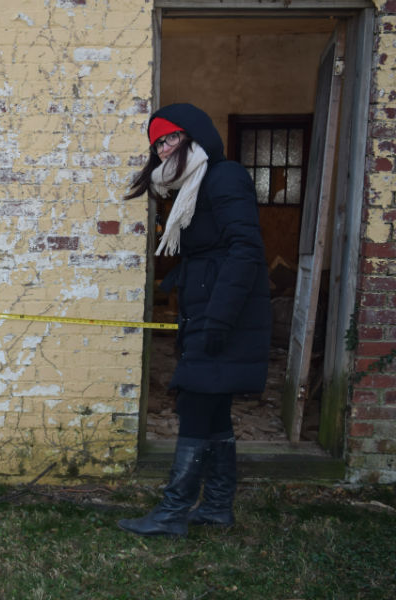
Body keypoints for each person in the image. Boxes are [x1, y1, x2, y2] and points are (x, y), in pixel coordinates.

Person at [118, 104, 271, 537]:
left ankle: (172, 513)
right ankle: (218, 507)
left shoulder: (224, 177)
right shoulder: (193, 185)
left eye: (170, 138)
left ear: (194, 136)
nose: (163, 149)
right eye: (157, 143)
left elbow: (245, 250)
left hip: (225, 312)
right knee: (212, 404)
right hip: (205, 308)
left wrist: (219, 320)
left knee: (196, 403)